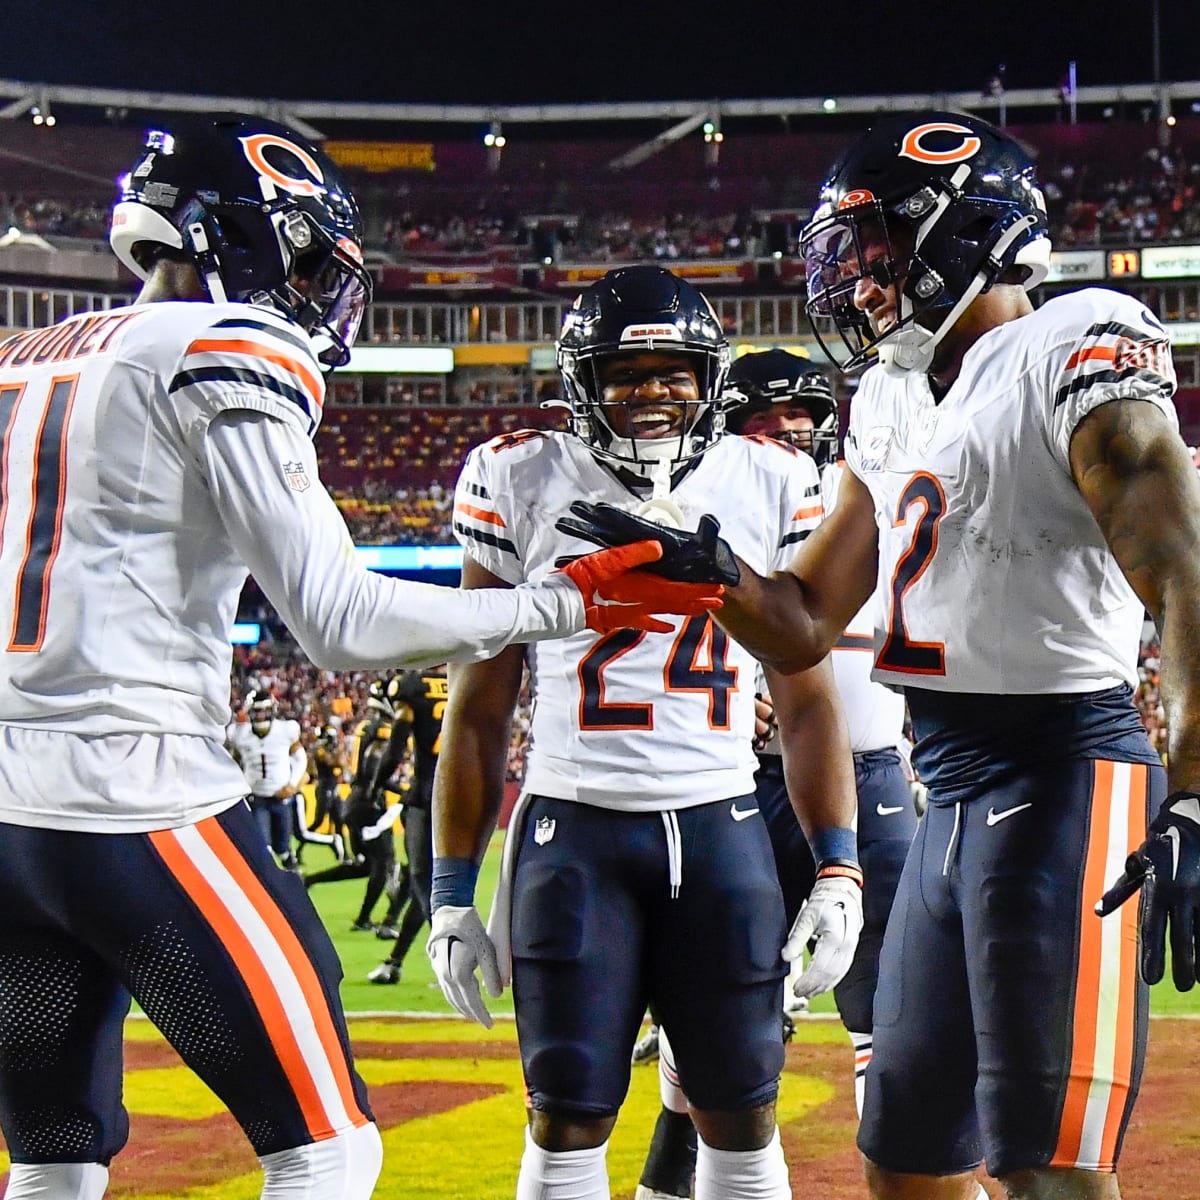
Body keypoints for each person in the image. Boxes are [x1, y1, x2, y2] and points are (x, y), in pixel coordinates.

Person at [0, 115, 720, 1200]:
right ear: (234, 237)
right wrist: (564, 603)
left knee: (52, 1160)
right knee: (326, 1146)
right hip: (131, 791)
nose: (310, 288)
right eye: (300, 256)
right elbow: (336, 620)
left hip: (8, 808)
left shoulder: (24, 351)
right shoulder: (222, 347)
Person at [563, 111, 1200, 1200]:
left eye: (873, 256)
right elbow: (807, 616)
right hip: (942, 792)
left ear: (964, 233)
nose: (858, 288)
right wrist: (707, 574)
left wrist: (1191, 794)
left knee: (1048, 1169)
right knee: (904, 1159)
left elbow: (1186, 573)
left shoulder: (1077, 337)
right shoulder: (892, 397)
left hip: (1063, 776)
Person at [428, 264, 862, 1200]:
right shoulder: (517, 472)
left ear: (709, 380)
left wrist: (838, 866)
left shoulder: (776, 476)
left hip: (720, 822)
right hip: (572, 825)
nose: (653, 392)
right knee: (568, 1114)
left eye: (674, 372)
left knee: (742, 1114)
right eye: (629, 372)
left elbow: (806, 694)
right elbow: (478, 703)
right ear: (584, 380)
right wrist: (450, 887)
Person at [634, 351, 920, 1200]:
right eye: (772, 419)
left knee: (897, 1026)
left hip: (866, 776)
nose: (793, 432)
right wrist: (731, 696)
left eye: (805, 414)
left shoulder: (863, 494)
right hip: (739, 787)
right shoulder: (703, 502)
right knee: (718, 1049)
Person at [367, 666, 447, 983]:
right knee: (428, 887)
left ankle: (453, 961)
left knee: (421, 881)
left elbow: (394, 751)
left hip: (428, 794)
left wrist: (375, 786)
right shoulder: (461, 675)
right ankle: (395, 962)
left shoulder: (411, 688)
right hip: (463, 791)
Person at [228, 690, 307, 870]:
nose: (260, 715)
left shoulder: (286, 730)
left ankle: (291, 869)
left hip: (281, 796)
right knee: (263, 847)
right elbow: (233, 762)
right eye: (256, 711)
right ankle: (270, 882)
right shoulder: (239, 735)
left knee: (283, 847)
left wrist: (293, 783)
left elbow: (300, 757)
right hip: (257, 798)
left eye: (264, 710)